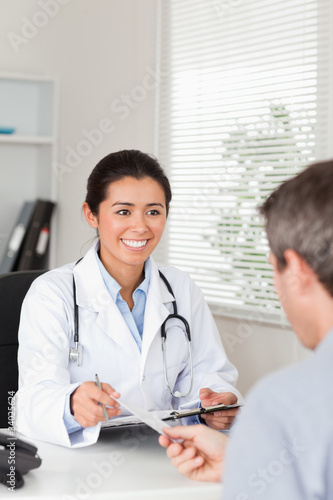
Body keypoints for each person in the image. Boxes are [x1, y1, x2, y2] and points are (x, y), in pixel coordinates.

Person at [16, 149, 243, 448]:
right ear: (91, 214)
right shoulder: (52, 293)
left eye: (153, 211)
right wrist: (71, 404)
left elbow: (209, 374)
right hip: (85, 458)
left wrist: (218, 403)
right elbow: (33, 397)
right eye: (123, 211)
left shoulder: (181, 288)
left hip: (167, 453)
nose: (140, 226)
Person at [159, 159, 333, 499]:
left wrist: (257, 455)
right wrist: (249, 460)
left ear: (295, 268)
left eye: (273, 267)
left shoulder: (283, 405)